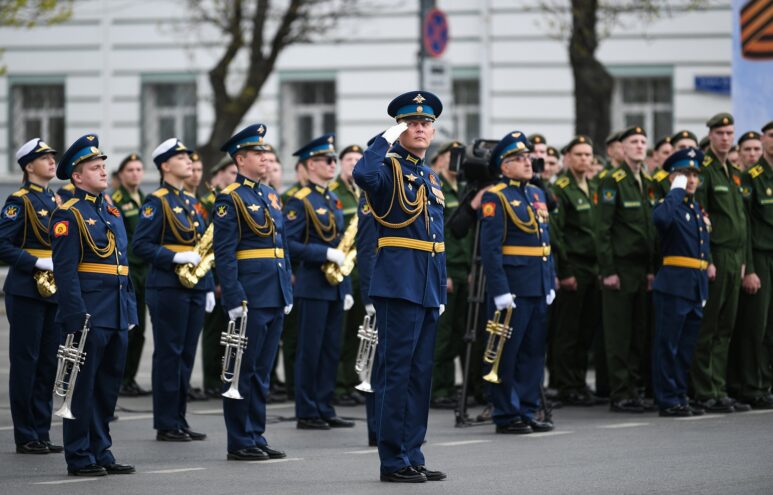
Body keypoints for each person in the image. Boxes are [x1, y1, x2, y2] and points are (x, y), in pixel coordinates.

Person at [353, 91, 447, 483]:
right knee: (397, 373)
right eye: (411, 122)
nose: (421, 127)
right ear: (398, 128)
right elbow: (362, 175)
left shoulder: (430, 175)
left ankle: (413, 453)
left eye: (426, 123)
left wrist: (439, 290)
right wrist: (383, 140)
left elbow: (436, 238)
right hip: (398, 285)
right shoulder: (386, 168)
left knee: (420, 375)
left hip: (426, 287)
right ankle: (393, 460)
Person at [50, 134, 137, 476]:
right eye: (94, 168)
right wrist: (75, 317)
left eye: (103, 166)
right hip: (89, 315)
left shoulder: (111, 210)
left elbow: (121, 265)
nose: (103, 171)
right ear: (77, 176)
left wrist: (128, 310)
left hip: (115, 313)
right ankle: (79, 455)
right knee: (81, 389)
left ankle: (102, 450)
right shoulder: (68, 213)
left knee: (106, 390)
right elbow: (66, 271)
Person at [213, 123, 293, 460]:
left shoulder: (269, 194)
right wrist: (233, 297)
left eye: (266, 152)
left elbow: (281, 247)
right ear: (241, 159)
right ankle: (239, 440)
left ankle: (256, 434)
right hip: (250, 295)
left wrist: (286, 289)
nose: (266, 158)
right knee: (243, 370)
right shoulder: (229, 198)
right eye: (258, 153)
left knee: (261, 371)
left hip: (273, 293)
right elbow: (225, 253)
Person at [132, 138, 216, 441]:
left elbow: (202, 248)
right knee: (170, 353)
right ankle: (166, 423)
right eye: (181, 158)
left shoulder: (192, 202)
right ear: (165, 165)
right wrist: (175, 257)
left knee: (186, 355)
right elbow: (140, 245)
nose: (189, 162)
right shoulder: (157, 201)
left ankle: (179, 419)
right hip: (168, 286)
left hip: (194, 286)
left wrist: (206, 285)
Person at [478, 130, 556, 434]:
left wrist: (549, 281)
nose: (528, 162)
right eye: (519, 158)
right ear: (504, 165)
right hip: (512, 288)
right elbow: (491, 248)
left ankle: (526, 409)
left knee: (533, 353)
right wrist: (499, 290)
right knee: (506, 353)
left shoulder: (537, 194)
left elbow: (546, 242)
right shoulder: (494, 196)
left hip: (537, 284)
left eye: (528, 157)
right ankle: (506, 413)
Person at [284, 134, 354, 430]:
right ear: (311, 164)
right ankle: (307, 410)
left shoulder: (331, 198)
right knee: (310, 350)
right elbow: (288, 243)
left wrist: (346, 287)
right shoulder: (299, 200)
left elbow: (343, 245)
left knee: (330, 350)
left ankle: (325, 406)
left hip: (335, 284)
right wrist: (323, 252)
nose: (333, 165)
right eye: (328, 160)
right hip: (312, 284)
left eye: (334, 160)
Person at [0, 138, 62, 454]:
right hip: (26, 289)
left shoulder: (55, 201)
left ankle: (42, 430)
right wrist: (36, 261)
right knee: (27, 361)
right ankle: (25, 434)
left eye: (52, 157)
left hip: (53, 289)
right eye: (44, 158)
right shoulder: (19, 200)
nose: (52, 161)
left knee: (48, 363)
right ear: (28, 166)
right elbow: (2, 244)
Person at [691, 113, 750, 413]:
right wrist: (708, 259)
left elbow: (742, 221)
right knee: (709, 326)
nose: (726, 138)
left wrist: (745, 262)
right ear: (711, 136)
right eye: (720, 133)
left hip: (735, 256)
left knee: (726, 327)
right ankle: (704, 390)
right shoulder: (706, 170)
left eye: (729, 133)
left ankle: (719, 387)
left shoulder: (733, 172)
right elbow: (703, 219)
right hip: (716, 255)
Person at [597, 126, 657, 413]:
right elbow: (603, 230)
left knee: (638, 332)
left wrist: (650, 269)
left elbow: (648, 229)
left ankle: (634, 389)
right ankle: (620, 393)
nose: (639, 146)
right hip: (619, 268)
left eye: (643, 141)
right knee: (619, 334)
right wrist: (608, 269)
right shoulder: (613, 180)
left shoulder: (646, 180)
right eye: (633, 142)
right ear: (622, 148)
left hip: (640, 268)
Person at [651, 147, 710, 417]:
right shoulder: (669, 205)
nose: (692, 179)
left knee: (685, 347)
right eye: (685, 173)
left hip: (695, 285)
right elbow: (661, 220)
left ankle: (679, 394)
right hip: (674, 285)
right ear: (673, 178)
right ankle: (667, 398)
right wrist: (675, 189)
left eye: (695, 174)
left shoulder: (696, 209)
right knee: (668, 344)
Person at [550, 136, 602, 406]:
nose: (584, 159)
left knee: (586, 329)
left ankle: (580, 381)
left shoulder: (594, 186)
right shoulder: (562, 188)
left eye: (588, 154)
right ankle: (566, 383)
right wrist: (565, 270)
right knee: (567, 330)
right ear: (567, 158)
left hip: (594, 267)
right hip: (574, 267)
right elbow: (556, 234)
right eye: (579, 154)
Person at [428, 140, 471, 409]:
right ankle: (437, 388)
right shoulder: (437, 188)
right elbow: (437, 232)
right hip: (447, 268)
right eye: (450, 156)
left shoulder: (465, 189)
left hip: (464, 267)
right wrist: (443, 273)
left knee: (458, 332)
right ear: (439, 161)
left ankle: (449, 385)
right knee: (441, 336)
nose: (456, 162)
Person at [735, 121, 773, 409]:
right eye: (771, 137)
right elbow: (745, 225)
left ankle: (766, 382)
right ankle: (753, 385)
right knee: (756, 325)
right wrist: (749, 268)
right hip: (761, 255)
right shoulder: (752, 177)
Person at [330, 143, 367, 406]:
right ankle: (339, 384)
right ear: (341, 164)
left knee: (358, 330)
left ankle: (353, 381)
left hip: (362, 268)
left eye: (358, 159)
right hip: (339, 267)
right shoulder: (333, 192)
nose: (353, 163)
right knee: (340, 332)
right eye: (349, 159)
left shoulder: (365, 192)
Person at [112, 153, 151, 397]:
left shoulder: (144, 199)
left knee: (141, 330)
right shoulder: (117, 200)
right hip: (130, 271)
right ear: (122, 175)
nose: (135, 173)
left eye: (138, 169)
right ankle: (121, 378)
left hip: (145, 271)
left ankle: (131, 378)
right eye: (130, 170)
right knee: (130, 328)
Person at [201, 158, 238, 398]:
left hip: (230, 275)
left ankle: (226, 377)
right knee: (215, 332)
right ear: (218, 174)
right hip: (213, 275)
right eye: (231, 172)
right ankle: (212, 379)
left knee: (230, 332)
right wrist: (214, 281)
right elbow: (206, 247)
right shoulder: (206, 204)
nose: (235, 176)